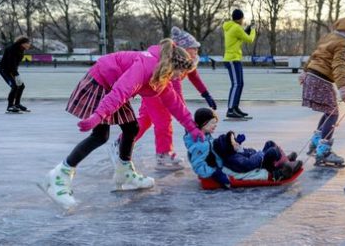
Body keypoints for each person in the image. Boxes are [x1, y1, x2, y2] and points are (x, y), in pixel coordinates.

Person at [39, 39, 204, 210]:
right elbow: (120, 92)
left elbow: (175, 104)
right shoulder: (146, 66)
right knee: (100, 136)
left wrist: (192, 128)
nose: (179, 78)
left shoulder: (161, 76)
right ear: (173, 65)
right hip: (101, 82)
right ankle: (58, 177)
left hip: (112, 84)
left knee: (131, 128)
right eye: (180, 73)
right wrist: (98, 115)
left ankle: (124, 173)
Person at [107, 27, 217, 171]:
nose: (196, 51)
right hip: (155, 92)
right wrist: (187, 122)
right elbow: (177, 95)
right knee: (163, 121)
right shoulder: (175, 63)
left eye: (197, 48)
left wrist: (206, 94)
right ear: (183, 49)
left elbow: (195, 78)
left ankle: (121, 142)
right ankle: (163, 154)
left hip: (157, 91)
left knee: (145, 121)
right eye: (193, 48)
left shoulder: (188, 61)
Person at [298, 13, 345, 168]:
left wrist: (305, 71)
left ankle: (315, 144)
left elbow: (315, 54)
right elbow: (338, 65)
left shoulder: (332, 36)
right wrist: (343, 87)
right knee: (333, 113)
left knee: (328, 111)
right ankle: (323, 151)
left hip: (312, 75)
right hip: (321, 79)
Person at [213, 131, 303, 181]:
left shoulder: (235, 153)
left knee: (269, 143)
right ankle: (285, 167)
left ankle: (285, 160)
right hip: (260, 165)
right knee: (272, 151)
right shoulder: (233, 159)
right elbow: (248, 164)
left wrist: (245, 149)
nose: (236, 142)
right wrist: (260, 154)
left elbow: (249, 152)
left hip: (259, 159)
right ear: (229, 148)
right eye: (234, 143)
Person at [183, 108, 231, 189]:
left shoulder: (206, 136)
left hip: (221, 164)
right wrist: (215, 173)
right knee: (243, 162)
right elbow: (198, 166)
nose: (215, 125)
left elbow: (213, 150)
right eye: (212, 123)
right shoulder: (200, 145)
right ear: (203, 123)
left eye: (215, 123)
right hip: (214, 169)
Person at [222, 9, 256, 119]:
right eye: (242, 18)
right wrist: (253, 29)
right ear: (240, 19)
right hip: (232, 59)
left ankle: (235, 108)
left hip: (234, 58)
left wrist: (248, 29)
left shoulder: (232, 27)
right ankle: (231, 109)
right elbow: (250, 39)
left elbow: (240, 37)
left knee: (240, 84)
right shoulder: (236, 28)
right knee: (236, 84)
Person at [0, 36, 32, 113]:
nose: (29, 45)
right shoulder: (13, 49)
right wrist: (16, 74)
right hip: (5, 70)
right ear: (22, 43)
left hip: (11, 69)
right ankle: (10, 106)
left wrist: (2, 61)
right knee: (15, 86)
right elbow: (11, 62)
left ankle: (17, 104)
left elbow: (12, 61)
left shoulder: (21, 49)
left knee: (21, 86)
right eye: (28, 43)